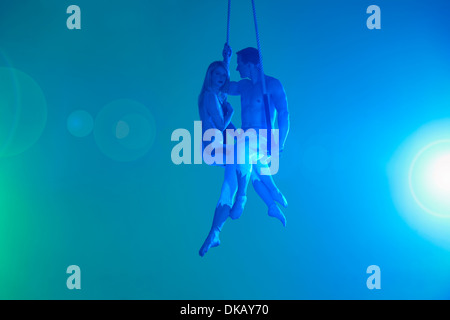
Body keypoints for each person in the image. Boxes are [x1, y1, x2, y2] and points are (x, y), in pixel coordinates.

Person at [223, 44, 290, 226]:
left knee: (242, 150)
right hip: (247, 140)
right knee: (254, 174)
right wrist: (226, 61)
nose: (237, 68)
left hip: (264, 139)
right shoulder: (243, 86)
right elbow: (224, 86)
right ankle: (272, 204)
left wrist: (280, 145)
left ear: (250, 64)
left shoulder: (272, 84)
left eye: (239, 64)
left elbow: (284, 115)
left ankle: (241, 198)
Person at [198, 60, 253, 257]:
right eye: (218, 75)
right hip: (214, 149)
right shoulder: (210, 96)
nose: (222, 79)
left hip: (217, 150)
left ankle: (215, 233)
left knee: (231, 180)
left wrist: (226, 59)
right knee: (246, 148)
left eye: (224, 76)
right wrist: (231, 112)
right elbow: (221, 124)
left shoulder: (215, 93)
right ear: (210, 75)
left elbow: (222, 77)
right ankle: (242, 197)